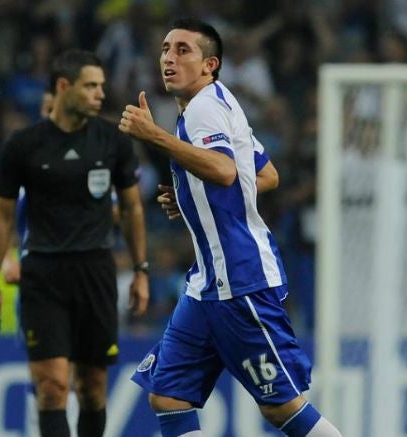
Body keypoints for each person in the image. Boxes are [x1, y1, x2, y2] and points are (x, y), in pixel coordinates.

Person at [119, 18, 342, 437]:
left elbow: (223, 171)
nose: (169, 57)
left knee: (282, 408)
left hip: (240, 280)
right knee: (168, 395)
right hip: (207, 284)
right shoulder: (219, 101)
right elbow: (265, 174)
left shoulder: (203, 109)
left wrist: (154, 135)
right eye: (166, 48)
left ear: (210, 64)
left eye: (183, 50)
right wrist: (191, 199)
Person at [0, 49, 149, 437]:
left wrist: (141, 270)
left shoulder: (113, 142)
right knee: (52, 388)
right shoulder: (23, 145)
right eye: (90, 86)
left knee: (91, 389)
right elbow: (1, 215)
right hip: (43, 274)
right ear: (63, 87)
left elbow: (133, 209)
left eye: (101, 86)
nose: (100, 94)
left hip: (96, 272)